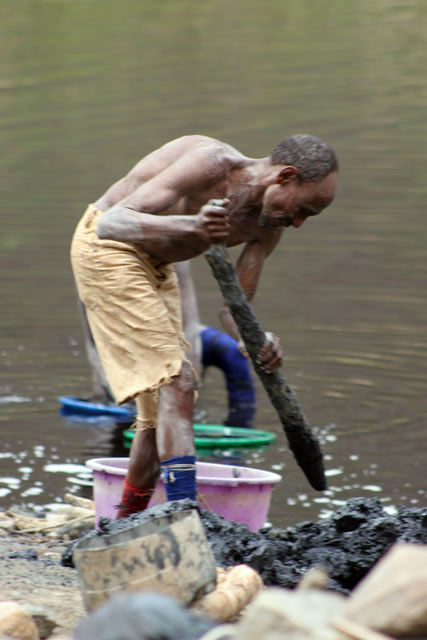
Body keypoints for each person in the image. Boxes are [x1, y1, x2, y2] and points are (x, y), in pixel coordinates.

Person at [70, 133, 338, 518]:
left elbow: (234, 309)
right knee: (178, 382)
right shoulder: (211, 163)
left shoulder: (268, 227)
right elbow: (113, 223)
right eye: (302, 210)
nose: (297, 223)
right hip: (108, 249)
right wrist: (193, 225)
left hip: (158, 266)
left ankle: (123, 522)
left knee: (160, 414)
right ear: (285, 177)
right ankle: (184, 515)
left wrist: (257, 340)